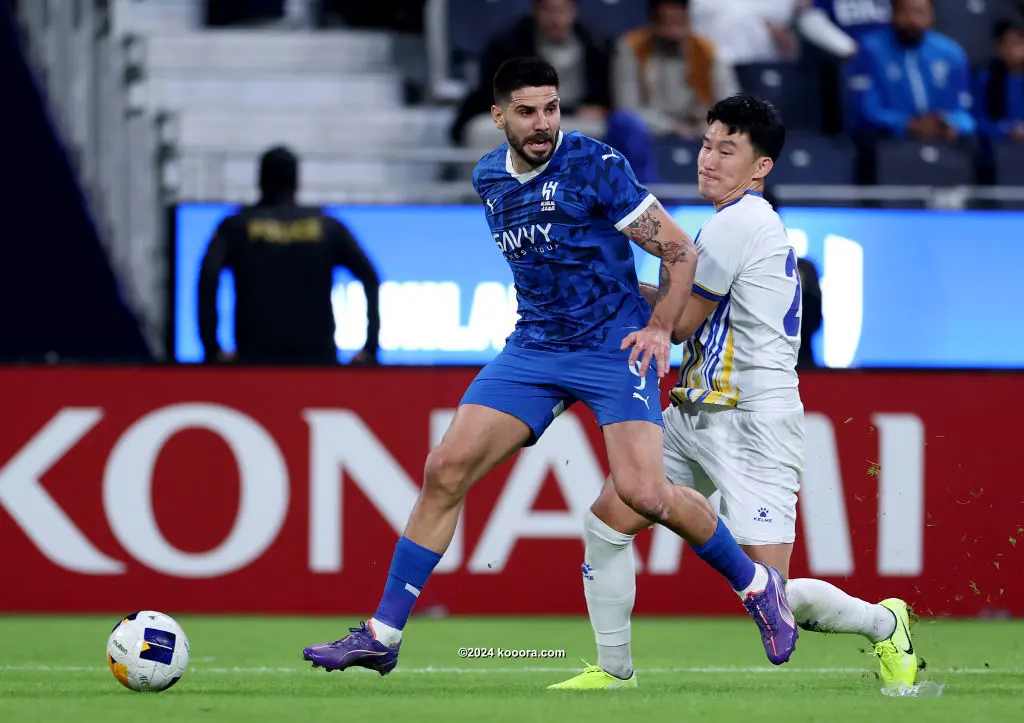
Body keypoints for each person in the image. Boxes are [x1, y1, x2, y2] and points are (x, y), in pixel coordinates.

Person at [301, 58, 798, 676]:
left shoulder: (596, 166)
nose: (542, 124)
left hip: (614, 345)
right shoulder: (489, 177)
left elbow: (678, 250)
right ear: (498, 116)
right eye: (528, 112)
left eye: (551, 109)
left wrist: (660, 327)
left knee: (643, 492)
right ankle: (382, 633)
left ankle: (756, 588)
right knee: (444, 469)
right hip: (535, 347)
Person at [548, 95, 918, 692]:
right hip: (694, 411)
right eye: (705, 144)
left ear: (761, 166)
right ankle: (614, 671)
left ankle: (883, 623)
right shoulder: (726, 221)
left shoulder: (741, 221)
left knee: (772, 592)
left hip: (753, 421)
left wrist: (601, 282)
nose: (709, 160)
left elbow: (683, 319)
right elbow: (680, 300)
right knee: (608, 523)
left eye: (728, 149)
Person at [198, 146, 380, 365]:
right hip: (317, 361)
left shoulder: (236, 226)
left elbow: (208, 278)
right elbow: (370, 277)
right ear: (297, 182)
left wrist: (212, 350)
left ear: (259, 181)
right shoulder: (327, 226)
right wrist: (370, 349)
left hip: (254, 361)